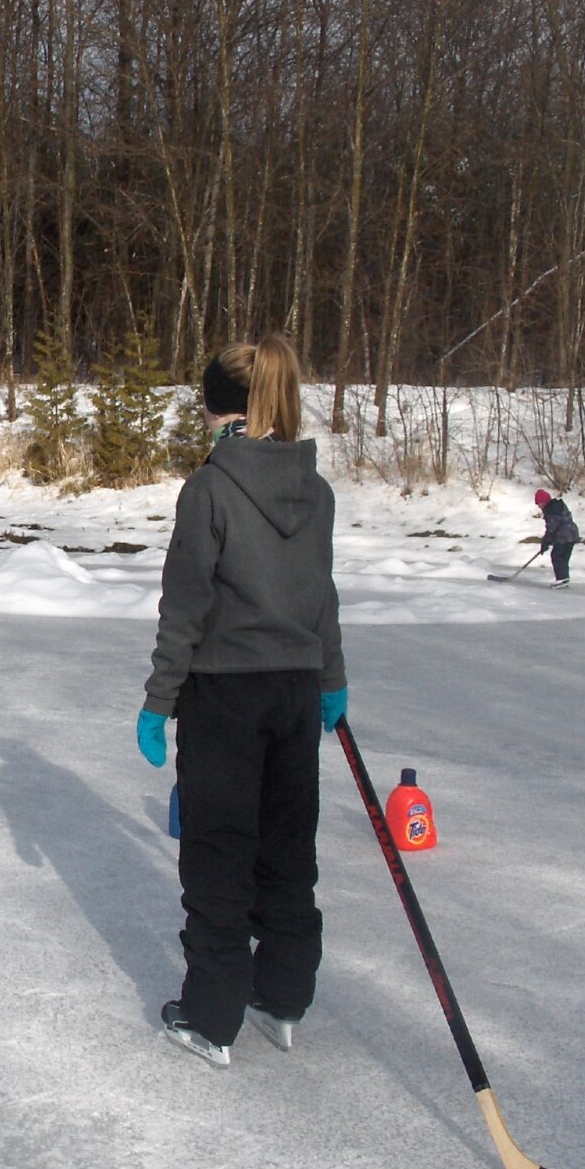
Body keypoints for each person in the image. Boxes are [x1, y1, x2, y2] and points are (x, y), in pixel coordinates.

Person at [136, 334, 346, 1067]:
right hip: (293, 692)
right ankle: (282, 993)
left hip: (225, 695)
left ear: (213, 405)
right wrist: (330, 679)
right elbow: (321, 596)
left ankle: (212, 1014)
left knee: (220, 852)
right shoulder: (315, 488)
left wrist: (159, 699)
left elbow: (185, 606)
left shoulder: (210, 487)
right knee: (286, 845)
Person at [534, 488, 579, 589]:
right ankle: (564, 578)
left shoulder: (551, 510)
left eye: (539, 503)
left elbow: (552, 529)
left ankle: (562, 578)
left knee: (557, 556)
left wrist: (545, 542)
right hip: (572, 534)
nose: (538, 506)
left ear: (544, 502)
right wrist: (547, 542)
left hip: (564, 535)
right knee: (563, 557)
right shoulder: (557, 506)